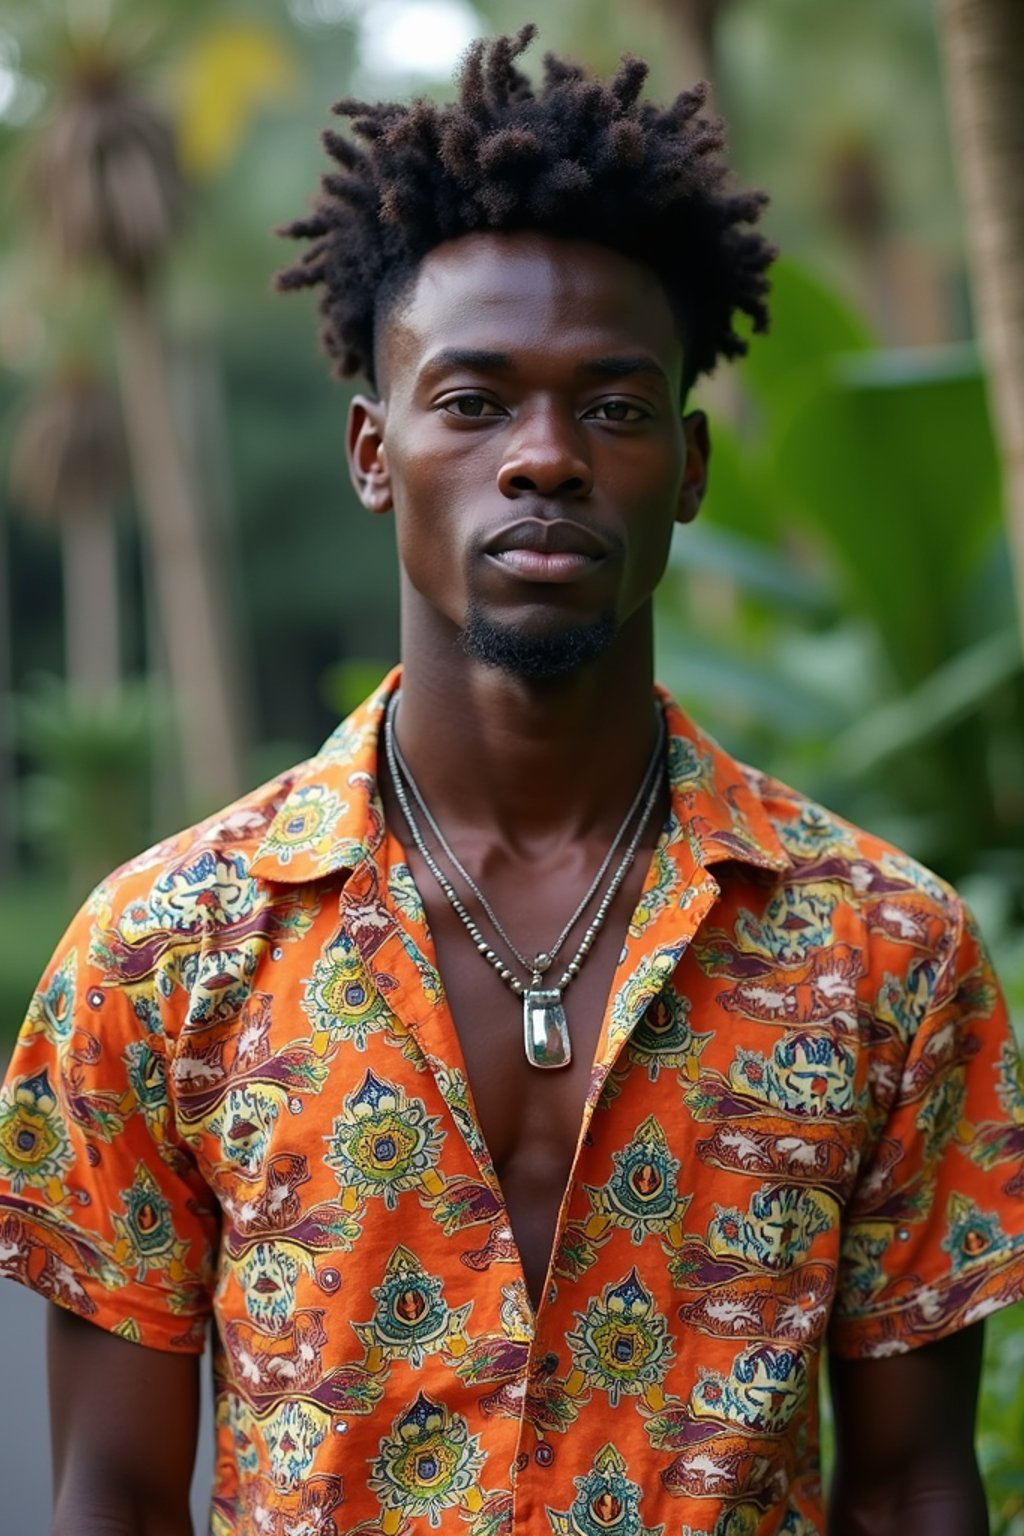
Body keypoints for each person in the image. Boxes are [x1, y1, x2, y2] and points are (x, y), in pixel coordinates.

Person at [1, 25, 1022, 1536]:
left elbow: (917, 1484)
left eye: (610, 408)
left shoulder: (884, 951)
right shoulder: (162, 955)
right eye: (475, 402)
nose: (544, 458)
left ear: (687, 468)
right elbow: (113, 1493)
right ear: (372, 450)